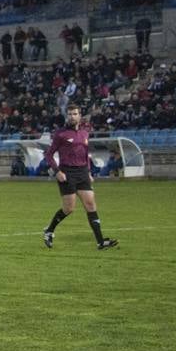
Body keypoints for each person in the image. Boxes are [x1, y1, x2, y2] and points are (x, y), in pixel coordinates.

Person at [41, 104, 118, 251]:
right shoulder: (61, 134)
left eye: (74, 114)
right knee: (69, 208)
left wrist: (88, 172)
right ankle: (49, 231)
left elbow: (85, 154)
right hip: (67, 173)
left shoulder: (85, 133)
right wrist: (57, 171)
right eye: (69, 114)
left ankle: (100, 242)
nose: (72, 116)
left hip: (82, 172)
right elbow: (49, 154)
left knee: (90, 205)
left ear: (79, 115)